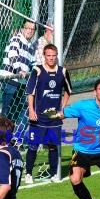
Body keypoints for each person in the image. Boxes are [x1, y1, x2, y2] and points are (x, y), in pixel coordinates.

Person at [24, 43, 72, 184]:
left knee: (52, 146)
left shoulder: (63, 72)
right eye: (48, 55)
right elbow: (30, 92)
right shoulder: (37, 71)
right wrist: (31, 111)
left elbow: (68, 91)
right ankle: (28, 174)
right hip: (38, 117)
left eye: (53, 56)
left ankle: (53, 175)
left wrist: (62, 108)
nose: (51, 58)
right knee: (33, 146)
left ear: (57, 56)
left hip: (54, 117)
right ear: (44, 56)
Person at [0, 20, 36, 133]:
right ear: (22, 28)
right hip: (10, 79)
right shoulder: (16, 39)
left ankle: (12, 138)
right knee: (7, 111)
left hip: (20, 83)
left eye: (32, 29)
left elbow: (34, 63)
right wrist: (19, 70)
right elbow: (13, 55)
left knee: (17, 111)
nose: (29, 31)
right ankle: (2, 138)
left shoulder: (30, 47)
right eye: (27, 28)